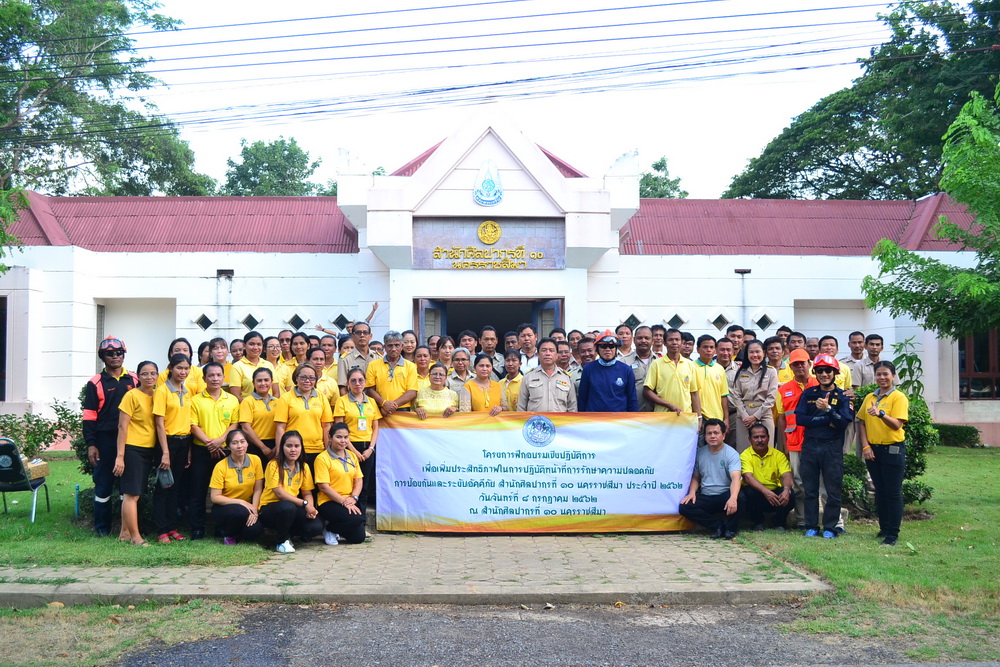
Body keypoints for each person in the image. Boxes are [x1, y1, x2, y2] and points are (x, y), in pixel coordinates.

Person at [83, 336, 138, 536]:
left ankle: (126, 529)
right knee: (104, 485)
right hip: (105, 441)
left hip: (131, 440)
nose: (115, 356)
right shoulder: (95, 382)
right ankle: (102, 529)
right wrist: (91, 444)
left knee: (128, 487)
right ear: (102, 357)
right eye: (110, 353)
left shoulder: (134, 379)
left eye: (119, 353)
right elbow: (89, 416)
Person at [795, 354, 853, 539]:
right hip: (811, 445)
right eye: (820, 371)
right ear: (815, 373)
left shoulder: (842, 396)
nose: (824, 374)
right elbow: (800, 419)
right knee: (810, 489)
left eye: (828, 370)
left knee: (833, 489)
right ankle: (811, 525)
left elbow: (844, 423)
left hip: (832, 447)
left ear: (835, 372)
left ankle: (830, 527)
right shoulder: (808, 393)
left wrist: (828, 409)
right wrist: (824, 420)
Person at [857, 361, 909, 547]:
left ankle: (893, 535)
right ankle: (883, 528)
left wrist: (880, 414)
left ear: (893, 376)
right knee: (880, 491)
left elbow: (897, 424)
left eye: (886, 374)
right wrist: (865, 446)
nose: (882, 378)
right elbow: (861, 421)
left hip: (893, 449)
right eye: (878, 374)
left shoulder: (898, 397)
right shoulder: (870, 396)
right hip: (873, 451)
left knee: (892, 492)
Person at [189, 361, 240, 539]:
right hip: (201, 450)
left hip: (225, 451)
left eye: (218, 375)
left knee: (224, 491)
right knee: (198, 491)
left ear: (223, 377)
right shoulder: (195, 400)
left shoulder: (232, 400)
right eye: (211, 375)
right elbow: (193, 425)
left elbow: (235, 424)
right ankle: (197, 529)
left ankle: (222, 527)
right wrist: (210, 443)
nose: (215, 378)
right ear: (204, 378)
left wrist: (220, 441)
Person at [114, 360, 159, 546]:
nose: (149, 377)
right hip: (133, 449)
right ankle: (135, 538)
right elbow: (122, 427)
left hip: (149, 449)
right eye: (145, 373)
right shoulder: (131, 395)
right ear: (138, 376)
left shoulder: (158, 395)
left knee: (135, 494)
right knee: (131, 494)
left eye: (153, 373)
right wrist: (120, 456)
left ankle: (124, 533)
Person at [258, 430, 323, 553]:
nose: (293, 450)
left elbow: (307, 493)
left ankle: (288, 534)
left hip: (291, 508)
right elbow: (280, 493)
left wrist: (309, 507)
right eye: (289, 446)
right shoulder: (273, 465)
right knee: (287, 507)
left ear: (301, 448)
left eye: (297, 446)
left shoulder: (304, 467)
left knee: (315, 526)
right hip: (269, 508)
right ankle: (281, 541)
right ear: (282, 447)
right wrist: (304, 504)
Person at [152, 353, 193, 544]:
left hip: (184, 442)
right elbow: (159, 423)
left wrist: (189, 450)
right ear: (170, 368)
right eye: (179, 368)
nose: (183, 372)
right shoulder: (162, 391)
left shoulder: (187, 391)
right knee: (163, 487)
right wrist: (165, 452)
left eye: (186, 368)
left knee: (175, 488)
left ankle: (172, 528)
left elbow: (188, 421)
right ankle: (161, 530)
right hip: (166, 443)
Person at [774, 349, 817, 527]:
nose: (800, 366)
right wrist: (784, 446)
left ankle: (825, 520)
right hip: (794, 442)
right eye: (795, 364)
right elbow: (782, 419)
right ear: (790, 366)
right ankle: (801, 520)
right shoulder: (783, 389)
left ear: (810, 363)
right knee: (798, 484)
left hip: (816, 440)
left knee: (819, 482)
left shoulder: (819, 384)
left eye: (802, 363)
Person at [679, 418, 742, 539]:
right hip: (707, 495)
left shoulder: (732, 454)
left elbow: (736, 478)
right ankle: (717, 525)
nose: (712, 436)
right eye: (709, 433)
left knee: (741, 498)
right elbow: (696, 477)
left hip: (725, 495)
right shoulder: (699, 453)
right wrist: (692, 492)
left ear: (723, 435)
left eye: (716, 433)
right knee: (684, 506)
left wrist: (733, 498)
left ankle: (730, 529)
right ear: (705, 436)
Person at [333, 368, 382, 508]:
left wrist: (371, 448)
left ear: (365, 382)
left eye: (360, 380)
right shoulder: (342, 401)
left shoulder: (371, 402)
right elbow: (339, 428)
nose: (357, 383)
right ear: (348, 383)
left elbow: (376, 426)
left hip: (368, 448)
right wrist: (353, 451)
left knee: (364, 485)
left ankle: (362, 519)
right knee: (349, 483)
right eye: (353, 380)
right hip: (348, 446)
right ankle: (349, 516)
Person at [314, 422, 367, 545]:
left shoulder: (352, 456)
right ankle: (329, 529)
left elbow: (359, 480)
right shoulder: (322, 458)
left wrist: (354, 497)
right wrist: (344, 501)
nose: (343, 440)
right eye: (338, 437)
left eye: (346, 437)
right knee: (357, 519)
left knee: (358, 538)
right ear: (330, 437)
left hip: (349, 500)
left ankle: (335, 527)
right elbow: (323, 487)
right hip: (329, 501)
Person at [209, 429, 264, 545]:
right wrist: (240, 502)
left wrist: (254, 510)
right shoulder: (221, 466)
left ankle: (239, 533)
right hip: (225, 507)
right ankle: (228, 535)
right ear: (228, 446)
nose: (239, 446)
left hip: (248, 506)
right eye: (234, 443)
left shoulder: (256, 460)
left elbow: (258, 489)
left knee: (254, 531)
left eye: (242, 442)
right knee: (240, 512)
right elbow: (215, 497)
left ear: (247, 443)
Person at [274, 363, 333, 470]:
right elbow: (280, 427)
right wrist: (279, 451)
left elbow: (326, 426)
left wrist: (327, 449)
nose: (307, 381)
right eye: (303, 377)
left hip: (317, 450)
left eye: (311, 378)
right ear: (296, 378)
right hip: (294, 452)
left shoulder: (321, 398)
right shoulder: (286, 398)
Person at [739, 422, 795, 531]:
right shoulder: (745, 455)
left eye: (763, 437)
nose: (760, 440)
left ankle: (779, 522)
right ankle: (758, 522)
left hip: (774, 496)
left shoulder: (778, 455)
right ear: (750, 439)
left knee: (791, 495)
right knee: (748, 493)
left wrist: (786, 490)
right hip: (756, 495)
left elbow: (787, 475)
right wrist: (766, 492)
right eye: (756, 437)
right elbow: (748, 478)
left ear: (768, 438)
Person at [729, 339, 778, 452]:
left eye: (758, 352)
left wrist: (755, 416)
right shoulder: (741, 371)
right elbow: (736, 395)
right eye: (751, 352)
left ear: (764, 353)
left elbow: (771, 397)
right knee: (744, 451)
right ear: (747, 354)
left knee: (766, 451)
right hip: (743, 416)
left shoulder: (771, 372)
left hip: (764, 414)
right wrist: (745, 416)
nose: (755, 355)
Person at [643, 328, 701, 418]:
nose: (674, 343)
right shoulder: (656, 364)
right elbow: (647, 391)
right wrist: (669, 405)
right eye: (670, 340)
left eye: (677, 340)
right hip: (662, 417)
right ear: (665, 343)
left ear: (682, 342)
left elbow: (694, 393)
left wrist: (699, 417)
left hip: (685, 416)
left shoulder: (690, 364)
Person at [578, 331, 637, 412]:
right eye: (603, 346)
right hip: (594, 420)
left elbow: (632, 399)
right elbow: (582, 398)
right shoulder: (588, 369)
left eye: (611, 346)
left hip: (619, 420)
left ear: (616, 348)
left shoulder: (626, 370)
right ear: (597, 349)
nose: (607, 349)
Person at [517, 338, 577, 411]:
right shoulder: (528, 377)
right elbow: (521, 407)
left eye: (551, 350)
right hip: (536, 422)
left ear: (557, 355)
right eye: (544, 350)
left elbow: (572, 407)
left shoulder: (566, 378)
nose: (548, 353)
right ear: (538, 354)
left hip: (559, 422)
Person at [366, 331, 418, 415]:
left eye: (397, 345)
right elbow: (369, 390)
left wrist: (391, 406)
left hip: (403, 410)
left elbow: (412, 392)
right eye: (390, 345)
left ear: (402, 346)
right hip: (380, 410)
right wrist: (384, 403)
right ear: (384, 347)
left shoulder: (410, 366)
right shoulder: (373, 365)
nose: (393, 349)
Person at [239, 367, 279, 460]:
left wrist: (278, 446)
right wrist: (263, 447)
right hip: (255, 445)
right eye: (259, 380)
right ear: (253, 383)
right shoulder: (248, 402)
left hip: (276, 445)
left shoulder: (278, 402)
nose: (263, 383)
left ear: (272, 381)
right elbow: (246, 427)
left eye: (266, 380)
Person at [693, 335, 729, 436]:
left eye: (711, 347)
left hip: (716, 417)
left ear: (715, 350)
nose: (709, 350)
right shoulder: (690, 367)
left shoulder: (720, 369)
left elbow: (724, 395)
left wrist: (726, 419)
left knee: (715, 447)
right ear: (698, 349)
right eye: (705, 347)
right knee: (698, 448)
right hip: (697, 417)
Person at [229, 331, 275, 402]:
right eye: (252, 344)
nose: (255, 347)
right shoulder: (237, 366)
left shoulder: (268, 365)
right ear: (244, 346)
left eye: (259, 344)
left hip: (269, 409)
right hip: (247, 409)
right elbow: (235, 395)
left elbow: (276, 392)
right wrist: (249, 407)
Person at [337, 321, 379, 395]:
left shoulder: (378, 357)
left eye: (365, 332)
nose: (362, 335)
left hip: (376, 403)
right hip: (353, 402)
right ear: (352, 336)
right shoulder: (345, 359)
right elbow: (343, 388)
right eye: (358, 333)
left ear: (370, 336)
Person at [623, 326, 655, 412]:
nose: (643, 341)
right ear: (634, 340)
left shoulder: (660, 361)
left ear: (652, 341)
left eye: (647, 338)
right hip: (632, 414)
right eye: (640, 338)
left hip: (657, 415)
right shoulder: (623, 362)